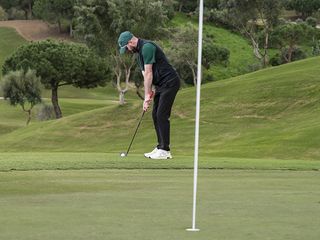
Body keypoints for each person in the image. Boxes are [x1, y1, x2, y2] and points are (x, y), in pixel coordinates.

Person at [118, 31, 180, 160]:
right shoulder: (139, 54)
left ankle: (165, 150)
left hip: (170, 82)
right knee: (155, 114)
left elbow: (148, 73)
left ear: (130, 42)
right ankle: (160, 146)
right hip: (160, 85)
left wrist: (146, 95)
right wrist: (149, 93)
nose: (128, 50)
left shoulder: (147, 47)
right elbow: (144, 74)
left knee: (162, 114)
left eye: (127, 47)